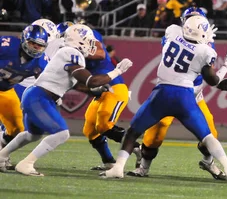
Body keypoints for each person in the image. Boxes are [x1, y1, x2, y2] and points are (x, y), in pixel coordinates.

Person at [101, 15, 227, 181]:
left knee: (133, 132)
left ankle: (118, 167)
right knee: (207, 136)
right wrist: (226, 65)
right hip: (184, 97)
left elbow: (176, 38)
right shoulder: (206, 51)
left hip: (161, 93)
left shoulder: (172, 32)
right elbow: (214, 81)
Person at [0, 25, 134, 176]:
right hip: (39, 96)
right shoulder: (71, 52)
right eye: (89, 41)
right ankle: (27, 163)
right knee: (62, 133)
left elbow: (76, 83)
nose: (92, 45)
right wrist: (117, 71)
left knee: (33, 134)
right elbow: (91, 81)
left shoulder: (68, 53)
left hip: (38, 95)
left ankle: (2, 155)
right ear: (79, 41)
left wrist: (94, 90)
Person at [84, 24, 135, 170]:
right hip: (100, 91)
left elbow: (100, 52)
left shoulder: (93, 46)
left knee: (104, 125)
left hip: (113, 89)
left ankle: (137, 147)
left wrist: (79, 52)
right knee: (90, 129)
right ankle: (108, 161)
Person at [0, 25, 49, 158]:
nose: (35, 48)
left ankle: (1, 153)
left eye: (39, 45)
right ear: (24, 39)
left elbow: (46, 82)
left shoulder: (41, 61)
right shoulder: (7, 45)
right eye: (32, 43)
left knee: (17, 129)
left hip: (5, 91)